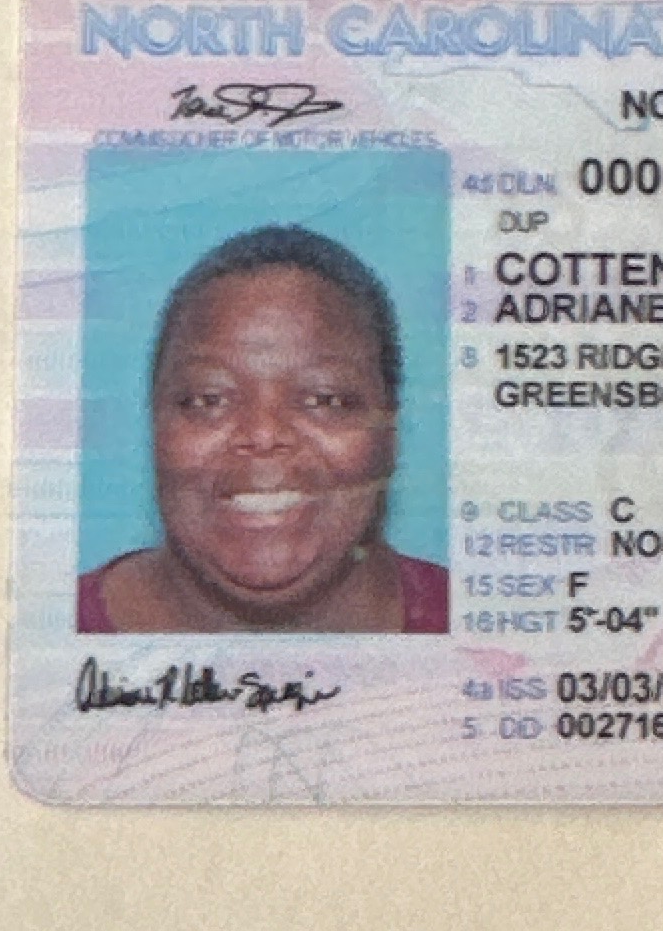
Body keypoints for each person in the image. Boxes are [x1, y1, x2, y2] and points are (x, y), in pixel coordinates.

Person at [79, 223, 448, 634]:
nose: (263, 434)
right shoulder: (46, 633)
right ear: (155, 423)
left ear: (389, 432)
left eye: (325, 399)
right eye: (208, 400)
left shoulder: (480, 628)